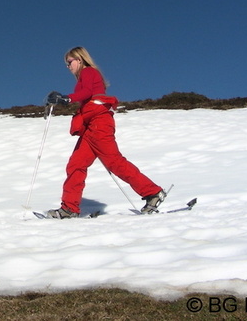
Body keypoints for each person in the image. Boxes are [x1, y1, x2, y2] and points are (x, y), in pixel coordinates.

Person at [45, 46, 165, 218]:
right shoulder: (83, 77)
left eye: (69, 62)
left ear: (79, 59)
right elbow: (86, 95)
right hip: (90, 127)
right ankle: (69, 208)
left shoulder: (88, 72)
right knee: (76, 165)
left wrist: (67, 98)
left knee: (114, 162)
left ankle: (153, 193)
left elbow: (87, 93)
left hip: (99, 123)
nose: (68, 66)